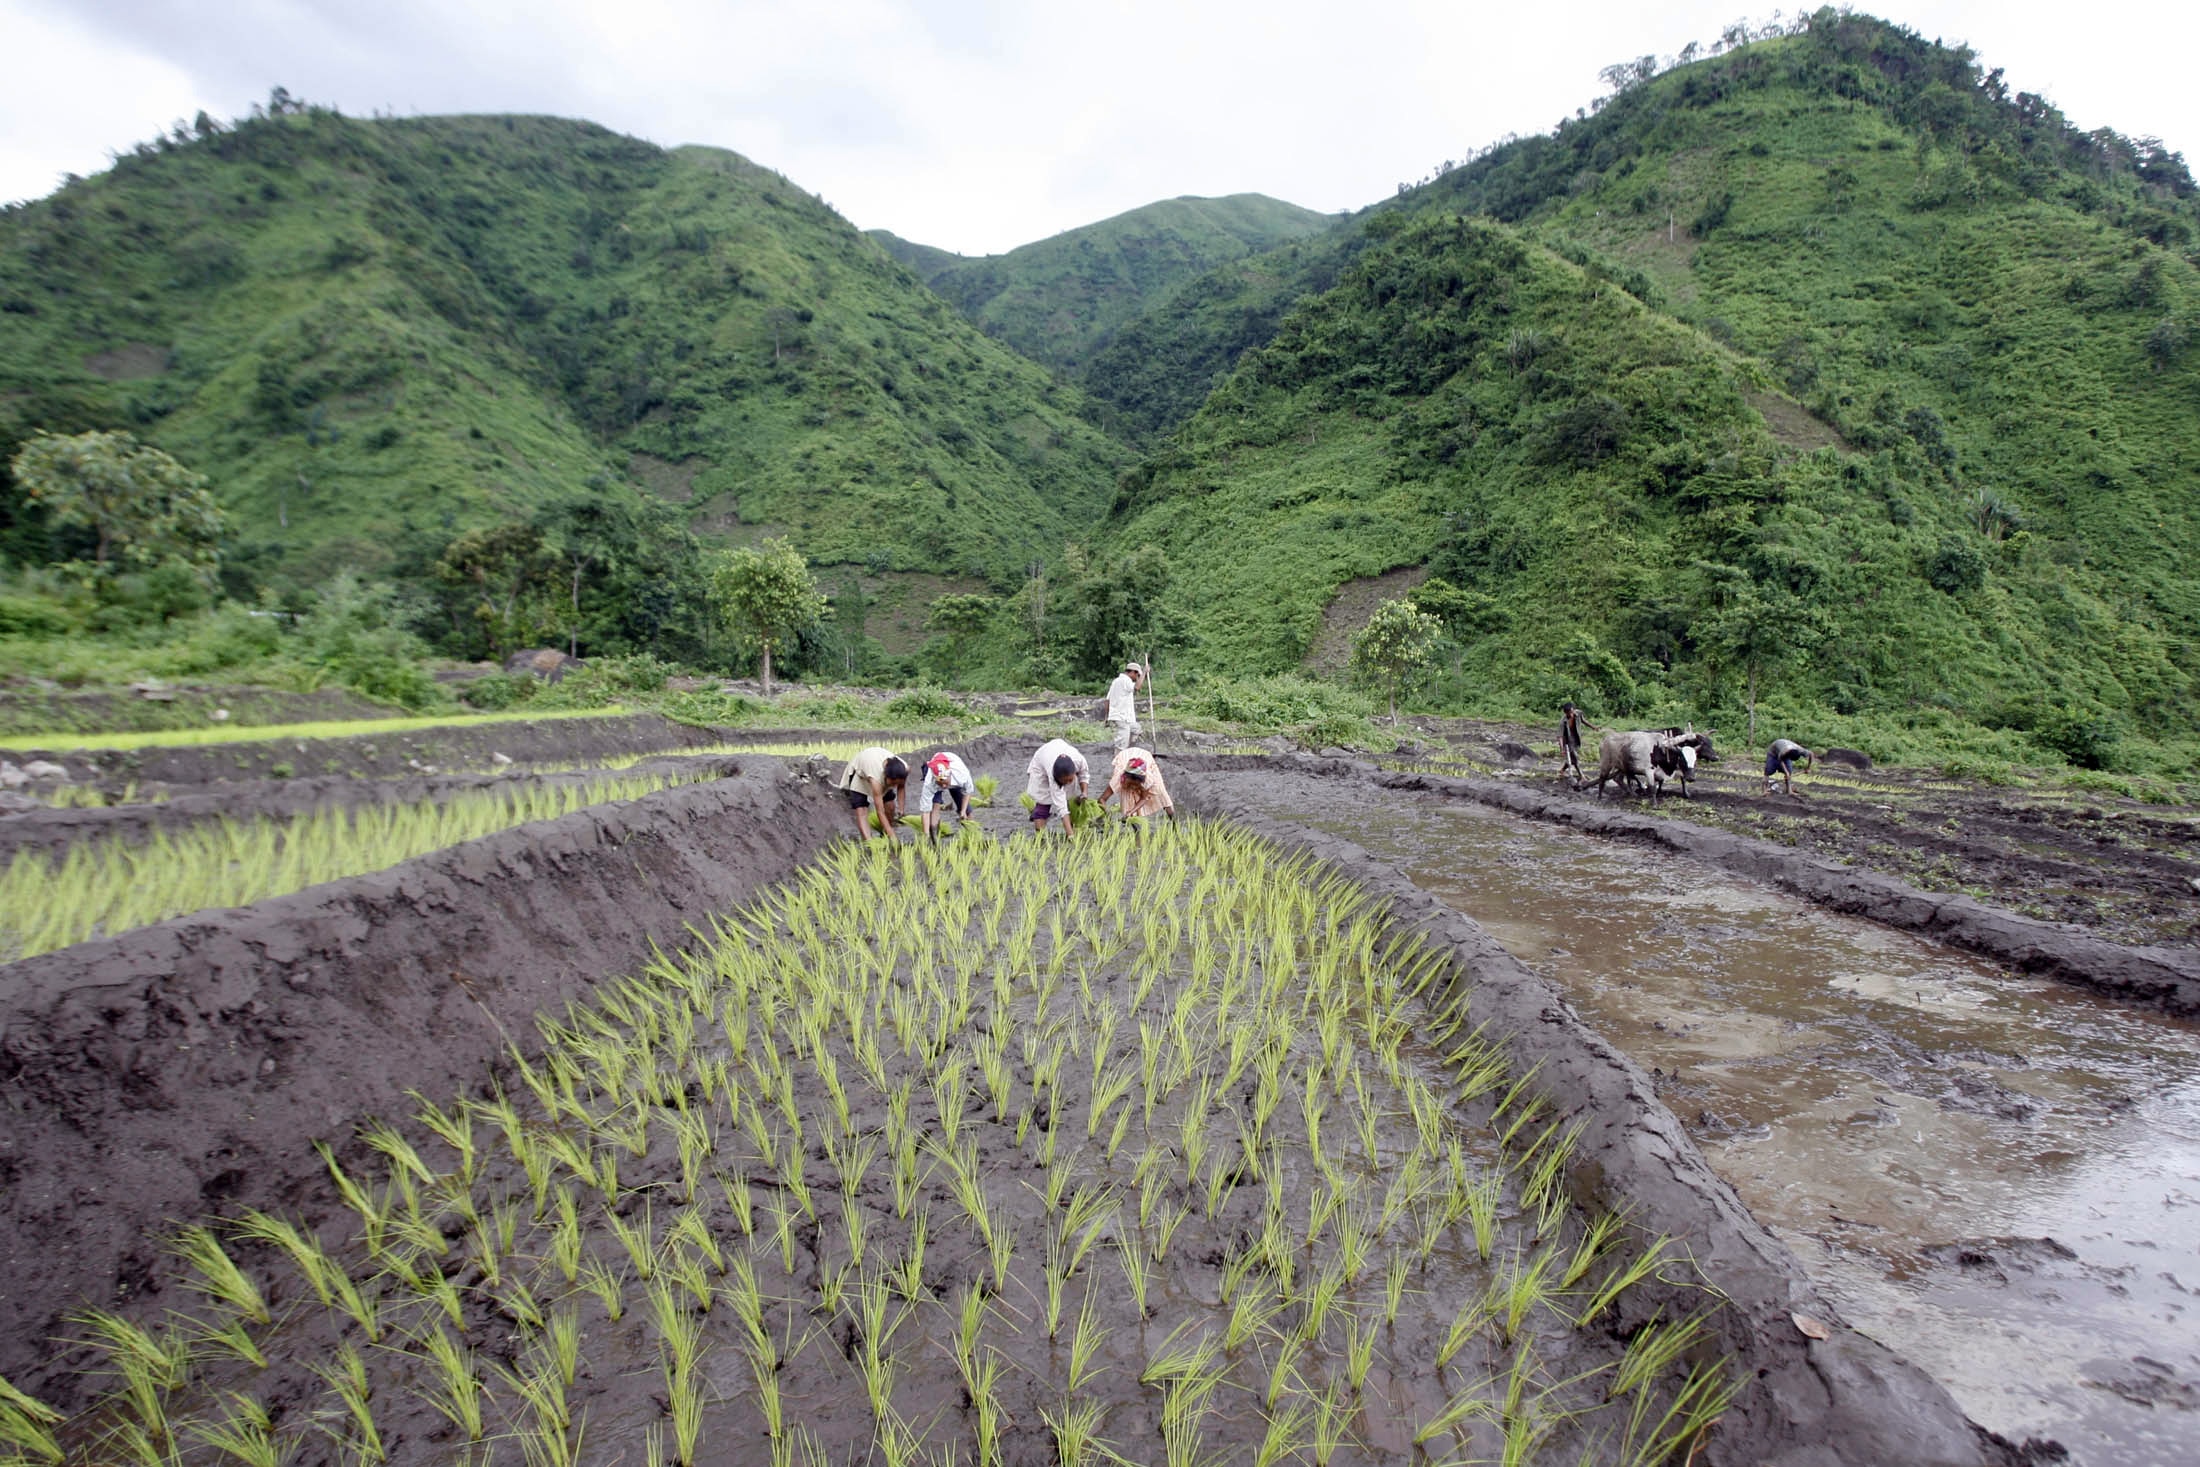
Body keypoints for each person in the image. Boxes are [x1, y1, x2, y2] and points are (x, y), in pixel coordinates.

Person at [836, 746, 909, 840]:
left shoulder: (904, 769)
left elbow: (901, 787)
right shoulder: (876, 780)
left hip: (878, 766)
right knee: (861, 809)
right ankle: (869, 842)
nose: (895, 786)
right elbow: (880, 811)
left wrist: (901, 810)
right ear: (886, 777)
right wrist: (893, 835)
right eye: (893, 783)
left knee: (890, 806)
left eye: (897, 783)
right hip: (860, 775)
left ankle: (885, 834)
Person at [1025, 737, 1089, 837]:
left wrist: (1084, 792)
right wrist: (1071, 837)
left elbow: (1084, 774)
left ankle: (1071, 828)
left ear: (1074, 771)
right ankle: (1040, 837)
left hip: (1058, 748)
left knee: (1069, 799)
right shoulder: (1052, 774)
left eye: (1070, 779)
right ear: (1056, 778)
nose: (1067, 782)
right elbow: (1061, 808)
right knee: (1043, 802)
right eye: (1064, 781)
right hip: (1041, 763)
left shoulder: (1079, 760)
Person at [1097, 746, 1176, 825]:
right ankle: (1134, 825)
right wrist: (1108, 814)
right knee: (1127, 800)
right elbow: (1101, 799)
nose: (1133, 787)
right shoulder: (1118, 780)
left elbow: (1144, 798)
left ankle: (1174, 822)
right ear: (1125, 778)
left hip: (1145, 757)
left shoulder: (1148, 779)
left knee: (1162, 793)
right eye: (1131, 784)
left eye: (1136, 785)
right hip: (1125, 756)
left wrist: (1132, 811)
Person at [918, 750, 975, 839]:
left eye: (945, 782)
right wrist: (926, 835)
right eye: (940, 783)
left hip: (955, 780)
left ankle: (973, 837)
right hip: (934, 776)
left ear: (949, 775)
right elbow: (925, 811)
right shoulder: (930, 783)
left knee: (967, 812)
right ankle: (934, 840)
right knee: (935, 807)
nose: (944, 786)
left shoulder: (961, 775)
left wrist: (963, 810)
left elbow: (968, 792)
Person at [1105, 662, 1145, 754]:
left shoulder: (1115, 681)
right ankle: (1119, 760)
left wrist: (1106, 717)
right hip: (1122, 717)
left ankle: (1129, 751)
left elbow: (1107, 700)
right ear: (1133, 672)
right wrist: (1144, 672)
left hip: (1124, 717)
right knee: (1121, 745)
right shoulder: (1126, 680)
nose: (1137, 678)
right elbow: (1137, 687)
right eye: (1137, 675)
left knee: (1136, 729)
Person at [1559, 702, 1593, 787]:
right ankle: (1582, 776)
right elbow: (1559, 736)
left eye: (1571, 712)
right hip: (1568, 741)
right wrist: (1562, 749)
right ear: (1565, 713)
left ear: (1573, 710)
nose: (1570, 714)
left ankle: (1562, 770)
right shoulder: (1563, 722)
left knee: (1572, 758)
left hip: (1576, 738)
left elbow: (1583, 721)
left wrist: (1593, 727)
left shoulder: (1578, 713)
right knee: (1575, 757)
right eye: (1567, 713)